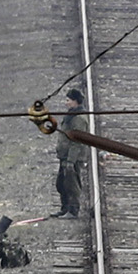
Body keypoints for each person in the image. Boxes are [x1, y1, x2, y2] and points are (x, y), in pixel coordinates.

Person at [54, 89, 86, 217]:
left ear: (75, 102)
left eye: (68, 100)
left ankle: (73, 211)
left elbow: (77, 142)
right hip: (65, 156)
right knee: (62, 183)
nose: (66, 103)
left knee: (71, 185)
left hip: (72, 158)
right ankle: (65, 208)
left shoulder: (79, 119)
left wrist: (71, 161)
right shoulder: (71, 115)